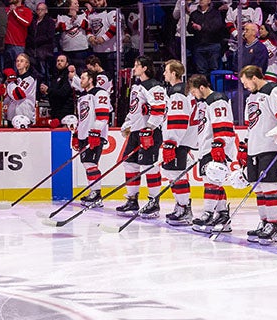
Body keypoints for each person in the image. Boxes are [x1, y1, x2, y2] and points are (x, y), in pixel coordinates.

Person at [238, 65, 277, 245]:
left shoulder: (275, 91)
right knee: (258, 188)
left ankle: (274, 226)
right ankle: (265, 222)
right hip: (254, 149)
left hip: (270, 147)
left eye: (245, 82)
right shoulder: (251, 97)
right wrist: (244, 146)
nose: (245, 86)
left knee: (269, 187)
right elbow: (250, 125)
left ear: (254, 77)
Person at [116, 55, 166, 219]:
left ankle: (154, 201)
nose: (134, 68)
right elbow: (134, 110)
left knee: (149, 166)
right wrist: (127, 126)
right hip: (137, 132)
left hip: (149, 132)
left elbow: (160, 109)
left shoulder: (154, 86)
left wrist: (150, 127)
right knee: (129, 163)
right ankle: (132, 200)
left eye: (137, 65)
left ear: (145, 68)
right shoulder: (137, 87)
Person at [186, 74, 235, 233]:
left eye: (194, 91)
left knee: (211, 182)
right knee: (214, 181)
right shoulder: (204, 103)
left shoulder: (217, 99)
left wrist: (219, 144)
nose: (193, 95)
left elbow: (223, 124)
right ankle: (222, 215)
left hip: (215, 147)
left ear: (201, 87)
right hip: (207, 147)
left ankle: (208, 213)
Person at [161, 60, 198, 226]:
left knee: (177, 174)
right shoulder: (180, 90)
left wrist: (171, 142)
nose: (164, 74)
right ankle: (181, 205)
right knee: (172, 173)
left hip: (179, 141)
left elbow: (179, 119)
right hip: (180, 140)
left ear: (174, 73)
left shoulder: (177, 92)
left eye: (166, 71)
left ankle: (184, 208)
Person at [73, 69, 112, 207]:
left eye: (83, 78)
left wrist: (95, 132)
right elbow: (82, 118)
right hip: (85, 135)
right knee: (87, 165)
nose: (81, 80)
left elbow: (103, 116)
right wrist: (77, 134)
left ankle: (96, 194)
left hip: (95, 135)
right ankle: (93, 192)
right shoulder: (82, 96)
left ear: (91, 79)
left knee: (91, 164)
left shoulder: (100, 93)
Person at [187, 0, 225, 77]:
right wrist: (193, 27)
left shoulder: (215, 13)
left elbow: (217, 27)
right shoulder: (194, 14)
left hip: (213, 44)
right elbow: (189, 29)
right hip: (199, 45)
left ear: (209, 1)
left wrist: (202, 28)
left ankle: (214, 87)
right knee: (201, 70)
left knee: (214, 68)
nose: (201, 1)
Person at [0, 53, 37, 125]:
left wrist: (11, 81)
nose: (18, 63)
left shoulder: (30, 78)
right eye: (17, 61)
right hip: (11, 117)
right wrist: (3, 94)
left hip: (24, 117)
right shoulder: (14, 78)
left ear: (26, 64)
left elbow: (18, 95)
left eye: (21, 61)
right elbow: (7, 99)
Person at [86, 0, 119, 76]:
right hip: (97, 51)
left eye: (99, 0)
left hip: (111, 51)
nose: (97, 3)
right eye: (94, 1)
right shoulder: (91, 16)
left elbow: (115, 28)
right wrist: (90, 37)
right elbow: (88, 29)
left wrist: (103, 38)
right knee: (99, 75)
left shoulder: (112, 13)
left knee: (112, 75)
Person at [56, 0, 89, 72]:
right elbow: (60, 28)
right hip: (67, 50)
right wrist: (70, 22)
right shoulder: (62, 16)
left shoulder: (82, 15)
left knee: (81, 71)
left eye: (78, 3)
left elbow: (85, 25)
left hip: (81, 50)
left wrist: (76, 18)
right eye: (75, 4)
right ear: (69, 6)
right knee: (67, 72)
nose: (78, 5)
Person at [26, 2, 55, 83]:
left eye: (42, 9)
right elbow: (28, 33)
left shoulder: (50, 22)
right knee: (34, 73)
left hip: (44, 52)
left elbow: (50, 36)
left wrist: (36, 40)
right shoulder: (33, 21)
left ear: (46, 11)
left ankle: (46, 91)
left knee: (44, 73)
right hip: (32, 51)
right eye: (38, 9)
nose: (40, 11)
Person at [41, 54, 74, 122]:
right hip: (55, 111)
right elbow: (54, 92)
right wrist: (46, 92)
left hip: (65, 112)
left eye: (62, 61)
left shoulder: (68, 76)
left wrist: (48, 90)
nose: (59, 62)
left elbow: (63, 93)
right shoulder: (55, 76)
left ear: (67, 63)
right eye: (58, 61)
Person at [4, 0, 33, 69]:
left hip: (18, 44)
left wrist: (15, 12)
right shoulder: (7, 9)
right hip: (5, 43)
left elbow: (27, 22)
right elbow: (1, 21)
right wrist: (9, 12)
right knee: (6, 69)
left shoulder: (26, 10)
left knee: (18, 68)